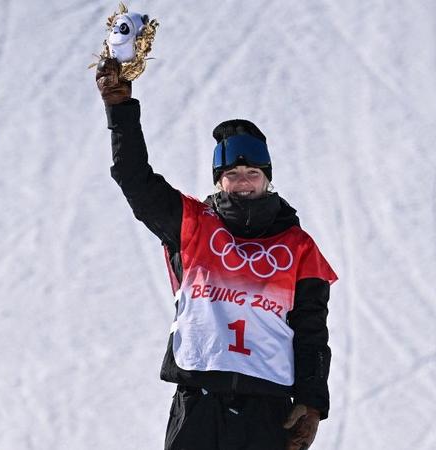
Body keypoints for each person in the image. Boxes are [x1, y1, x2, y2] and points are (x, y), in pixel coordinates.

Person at [96, 58, 338, 450]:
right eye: (233, 175)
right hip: (199, 401)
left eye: (252, 174)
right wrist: (119, 108)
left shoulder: (299, 246)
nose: (243, 183)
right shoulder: (191, 223)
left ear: (267, 178)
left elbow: (311, 331)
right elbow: (133, 176)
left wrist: (311, 403)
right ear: (219, 180)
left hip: (267, 406)